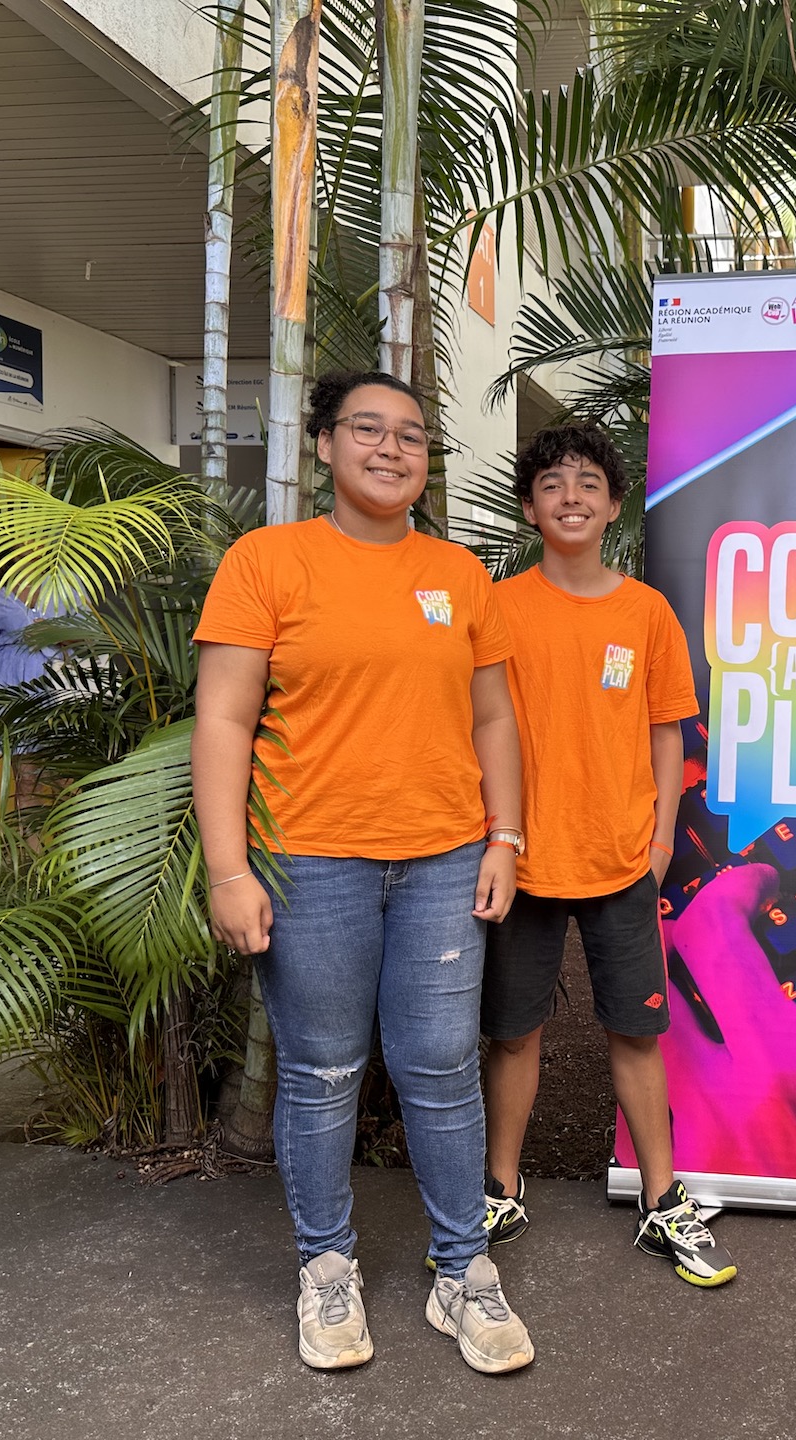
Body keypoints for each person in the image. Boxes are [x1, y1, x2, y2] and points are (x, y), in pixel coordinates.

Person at [191, 370, 535, 1374]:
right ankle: (326, 1266)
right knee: (323, 1070)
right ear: (325, 445)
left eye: (411, 436)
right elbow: (224, 718)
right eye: (369, 430)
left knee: (441, 1069)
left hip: (443, 861)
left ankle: (461, 1270)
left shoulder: (459, 575)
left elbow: (493, 717)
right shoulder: (268, 561)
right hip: (310, 862)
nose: (392, 449)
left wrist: (505, 838)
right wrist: (227, 869)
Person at [480, 422, 737, 1286]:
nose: (571, 497)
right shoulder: (498, 607)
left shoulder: (646, 612)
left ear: (615, 504)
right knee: (512, 1034)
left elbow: (669, 733)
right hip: (520, 861)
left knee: (636, 1032)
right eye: (553, 483)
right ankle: (500, 1188)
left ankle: (662, 1201)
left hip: (622, 858)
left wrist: (660, 839)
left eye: (589, 482)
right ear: (529, 507)